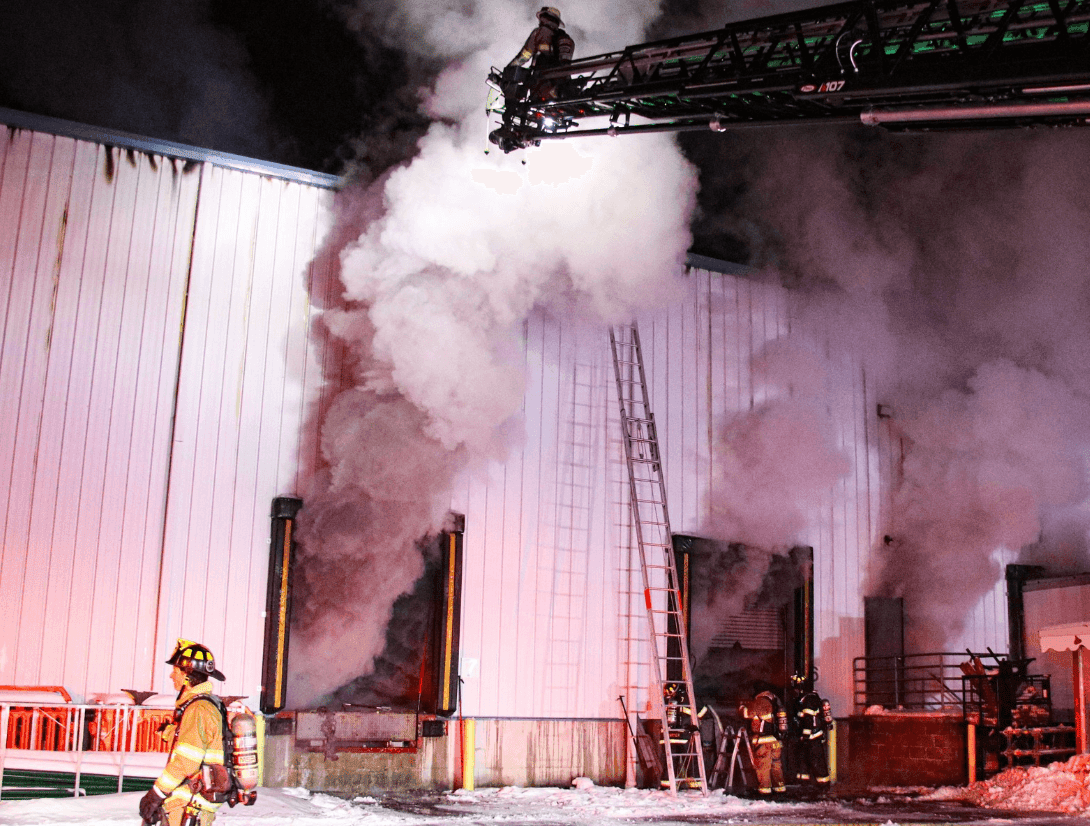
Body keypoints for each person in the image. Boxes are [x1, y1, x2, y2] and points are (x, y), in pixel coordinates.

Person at [139, 639, 229, 826]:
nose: (172, 675)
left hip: (189, 802)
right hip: (192, 801)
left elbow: (187, 761)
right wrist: (170, 732)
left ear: (187, 675)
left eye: (176, 670)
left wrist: (156, 794)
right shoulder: (205, 706)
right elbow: (197, 741)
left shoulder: (198, 709)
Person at [740, 685, 787, 796]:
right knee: (776, 765)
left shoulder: (761, 701)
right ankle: (780, 788)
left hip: (764, 742)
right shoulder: (775, 701)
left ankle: (765, 791)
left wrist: (741, 706)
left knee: (763, 766)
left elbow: (747, 713)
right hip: (775, 741)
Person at [793, 676, 833, 789]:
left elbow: (809, 720)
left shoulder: (809, 700)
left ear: (801, 688)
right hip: (811, 738)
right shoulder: (809, 698)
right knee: (805, 760)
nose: (795, 691)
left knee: (817, 761)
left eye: (796, 689)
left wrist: (805, 736)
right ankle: (804, 784)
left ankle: (824, 785)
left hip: (812, 738)